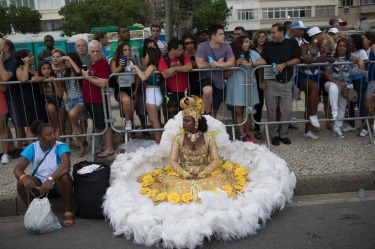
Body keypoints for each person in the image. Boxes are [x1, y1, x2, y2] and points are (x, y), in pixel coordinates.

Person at [102, 93, 296, 248]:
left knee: (219, 187)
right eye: (183, 120)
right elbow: (172, 161)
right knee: (171, 190)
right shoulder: (178, 138)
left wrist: (203, 173)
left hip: (207, 173)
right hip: (181, 174)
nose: (182, 123)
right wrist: (185, 174)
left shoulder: (209, 138)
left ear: (196, 122)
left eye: (186, 121)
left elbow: (215, 160)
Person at [14, 120, 74, 227]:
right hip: (40, 185)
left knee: (64, 177)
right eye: (49, 134)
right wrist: (24, 178)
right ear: (40, 138)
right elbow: (18, 169)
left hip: (57, 183)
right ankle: (32, 212)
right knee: (20, 183)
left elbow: (66, 165)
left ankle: (68, 210)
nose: (53, 136)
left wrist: (51, 179)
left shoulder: (61, 146)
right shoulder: (33, 147)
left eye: (54, 133)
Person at [260, 23, 301, 146]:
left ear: (282, 32)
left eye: (273, 32)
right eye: (271, 32)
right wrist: (261, 80)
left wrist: (285, 64)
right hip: (271, 83)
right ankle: (274, 135)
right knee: (271, 112)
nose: (271, 35)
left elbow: (298, 59)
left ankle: (284, 134)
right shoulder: (268, 46)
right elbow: (262, 63)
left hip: (287, 83)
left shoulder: (292, 43)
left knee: (287, 111)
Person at [225, 36, 266, 142]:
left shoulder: (252, 53)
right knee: (238, 111)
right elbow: (225, 74)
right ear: (240, 44)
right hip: (236, 86)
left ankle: (247, 133)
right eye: (246, 42)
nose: (248, 44)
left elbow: (263, 61)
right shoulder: (231, 55)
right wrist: (235, 66)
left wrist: (251, 63)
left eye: (249, 42)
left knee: (249, 111)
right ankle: (242, 134)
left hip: (249, 86)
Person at [324, 38, 365, 139]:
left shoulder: (350, 57)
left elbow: (357, 59)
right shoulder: (332, 57)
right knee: (333, 88)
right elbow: (326, 74)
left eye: (344, 46)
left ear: (347, 48)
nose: (342, 48)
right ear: (337, 47)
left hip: (345, 85)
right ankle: (334, 111)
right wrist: (337, 82)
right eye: (340, 45)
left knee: (342, 107)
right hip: (332, 83)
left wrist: (360, 60)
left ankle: (337, 129)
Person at [82, 40, 114, 158]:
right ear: (89, 52)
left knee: (105, 124)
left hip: (99, 100)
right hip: (91, 99)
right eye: (93, 51)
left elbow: (103, 83)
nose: (95, 53)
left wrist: (87, 77)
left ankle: (109, 148)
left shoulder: (103, 64)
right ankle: (106, 146)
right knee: (100, 124)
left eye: (97, 51)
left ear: (101, 51)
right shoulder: (92, 63)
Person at [196, 24, 235, 117]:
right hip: (205, 77)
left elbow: (232, 62)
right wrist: (215, 63)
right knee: (207, 90)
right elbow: (200, 64)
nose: (223, 36)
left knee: (215, 109)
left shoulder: (226, 46)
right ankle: (205, 116)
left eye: (223, 33)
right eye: (220, 34)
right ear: (213, 36)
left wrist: (219, 64)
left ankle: (211, 122)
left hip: (219, 80)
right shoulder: (202, 46)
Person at [298, 27, 330, 139]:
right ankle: (314, 115)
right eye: (321, 35)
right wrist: (318, 59)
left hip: (315, 76)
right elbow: (304, 60)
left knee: (310, 104)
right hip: (303, 77)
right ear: (315, 37)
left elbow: (326, 59)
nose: (323, 37)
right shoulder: (304, 46)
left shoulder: (322, 48)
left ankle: (307, 131)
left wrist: (327, 58)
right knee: (315, 87)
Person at [132, 47, 163, 144]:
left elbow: (144, 77)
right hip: (155, 93)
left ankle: (159, 142)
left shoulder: (151, 66)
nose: (145, 57)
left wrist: (136, 67)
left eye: (146, 55)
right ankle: (158, 139)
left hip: (152, 94)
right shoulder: (155, 66)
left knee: (154, 120)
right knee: (151, 119)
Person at [15, 50, 46, 143]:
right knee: (30, 125)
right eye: (30, 55)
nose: (33, 57)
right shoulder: (19, 69)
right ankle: (31, 149)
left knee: (39, 124)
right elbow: (24, 79)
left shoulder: (32, 68)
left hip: (37, 98)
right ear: (24, 59)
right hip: (27, 100)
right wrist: (26, 65)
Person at [61, 52, 87, 157]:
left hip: (79, 99)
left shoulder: (78, 70)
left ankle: (82, 143)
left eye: (68, 60)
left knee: (73, 115)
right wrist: (64, 93)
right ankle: (81, 147)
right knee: (74, 125)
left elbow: (78, 71)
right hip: (70, 100)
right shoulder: (65, 73)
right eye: (66, 61)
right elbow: (63, 86)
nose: (66, 62)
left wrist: (68, 57)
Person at [158, 39, 192, 119]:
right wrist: (182, 69)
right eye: (180, 50)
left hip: (185, 89)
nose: (182, 51)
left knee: (186, 112)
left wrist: (174, 69)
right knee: (172, 110)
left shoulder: (183, 56)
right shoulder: (164, 59)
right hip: (170, 90)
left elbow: (189, 67)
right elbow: (165, 74)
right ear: (172, 50)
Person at [1, 38, 23, 157]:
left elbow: (5, 78)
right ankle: (10, 146)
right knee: (4, 124)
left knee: (16, 121)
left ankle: (19, 147)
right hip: (4, 95)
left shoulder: (13, 61)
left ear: (5, 48)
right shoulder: (4, 61)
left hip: (13, 95)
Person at [110, 42, 140, 131]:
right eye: (125, 50)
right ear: (120, 51)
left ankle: (130, 136)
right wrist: (120, 66)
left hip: (132, 87)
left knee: (130, 114)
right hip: (120, 89)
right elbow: (113, 72)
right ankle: (128, 124)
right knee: (126, 100)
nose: (128, 52)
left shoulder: (132, 61)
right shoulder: (114, 61)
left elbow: (137, 76)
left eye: (129, 49)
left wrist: (136, 90)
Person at [344, 34, 369, 136]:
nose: (348, 43)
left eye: (350, 41)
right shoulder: (350, 53)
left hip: (359, 79)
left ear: (355, 43)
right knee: (350, 102)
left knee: (360, 102)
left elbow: (365, 63)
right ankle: (351, 124)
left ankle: (365, 127)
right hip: (350, 80)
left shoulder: (361, 52)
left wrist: (365, 62)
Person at [252, 30, 269, 140]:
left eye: (263, 36)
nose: (262, 38)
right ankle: (257, 128)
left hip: (270, 78)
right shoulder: (252, 50)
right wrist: (260, 82)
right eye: (259, 37)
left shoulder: (269, 49)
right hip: (256, 80)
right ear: (256, 39)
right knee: (258, 105)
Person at [363, 32, 375, 129]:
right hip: (370, 79)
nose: (363, 40)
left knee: (367, 102)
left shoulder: (373, 47)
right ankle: (371, 123)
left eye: (364, 38)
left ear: (369, 40)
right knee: (370, 102)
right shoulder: (366, 50)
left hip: (373, 79)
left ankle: (373, 121)